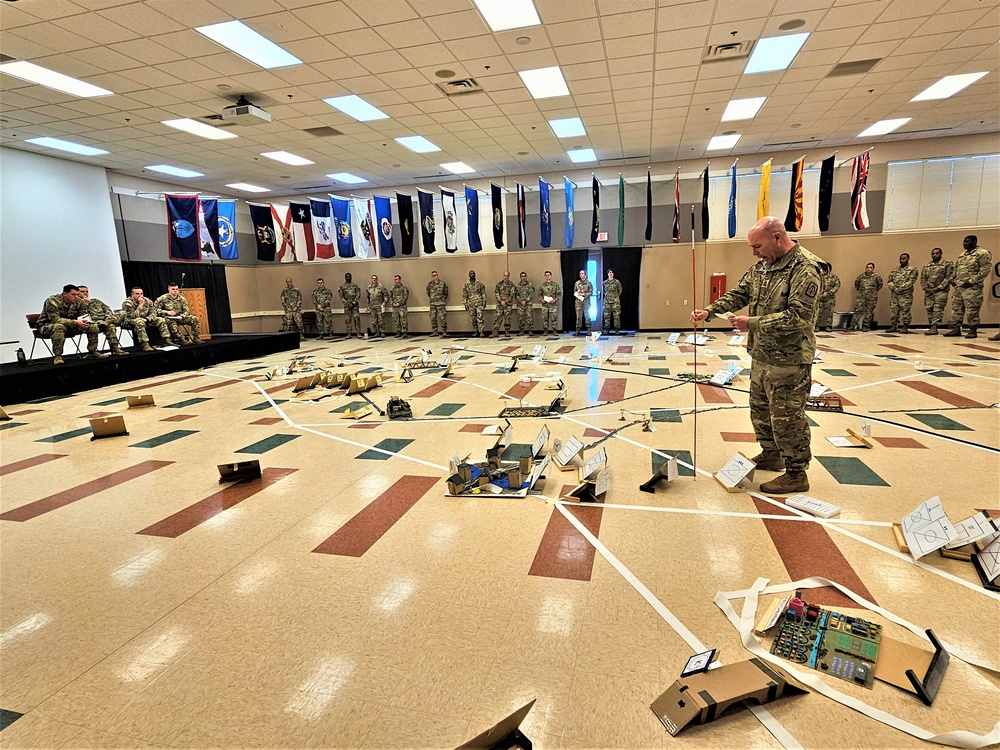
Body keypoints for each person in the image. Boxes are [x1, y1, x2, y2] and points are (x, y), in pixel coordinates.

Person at [690, 216, 828, 494]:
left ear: (777, 237)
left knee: (787, 417)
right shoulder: (763, 267)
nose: (754, 252)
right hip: (762, 356)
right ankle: (772, 454)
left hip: (790, 360)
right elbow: (740, 293)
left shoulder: (806, 268)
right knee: (762, 412)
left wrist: (749, 323)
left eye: (758, 246)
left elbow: (798, 317)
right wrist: (710, 311)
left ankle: (796, 473)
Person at [36, 284, 106, 365]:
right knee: (58, 327)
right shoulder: (53, 301)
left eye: (77, 294)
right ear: (65, 294)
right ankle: (58, 356)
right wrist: (75, 322)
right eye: (73, 294)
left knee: (92, 326)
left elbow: (83, 315)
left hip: (71, 325)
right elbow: (55, 319)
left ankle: (92, 352)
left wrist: (85, 322)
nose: (76, 297)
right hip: (48, 326)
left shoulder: (79, 301)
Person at [944, 235, 992, 339]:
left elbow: (985, 270)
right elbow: (956, 269)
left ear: (974, 242)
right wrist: (953, 280)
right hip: (959, 287)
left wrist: (971, 281)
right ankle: (956, 328)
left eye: (967, 242)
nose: (965, 243)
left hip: (972, 288)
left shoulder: (982, 253)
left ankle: (973, 330)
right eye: (964, 242)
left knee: (972, 310)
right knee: (957, 309)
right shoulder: (962, 255)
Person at [77, 286, 128, 355]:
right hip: (92, 323)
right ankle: (93, 352)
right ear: (77, 293)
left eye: (87, 291)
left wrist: (108, 317)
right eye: (82, 291)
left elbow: (107, 309)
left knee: (122, 312)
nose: (85, 293)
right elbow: (81, 316)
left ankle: (115, 347)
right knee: (110, 326)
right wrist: (85, 304)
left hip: (104, 321)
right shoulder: (76, 304)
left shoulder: (96, 301)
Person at [121, 287, 172, 351]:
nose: (140, 296)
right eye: (137, 294)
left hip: (145, 320)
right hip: (129, 321)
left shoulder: (147, 301)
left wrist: (147, 319)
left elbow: (154, 312)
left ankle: (167, 340)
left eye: (141, 294)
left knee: (160, 320)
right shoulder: (127, 303)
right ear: (132, 294)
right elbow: (132, 316)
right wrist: (141, 305)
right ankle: (145, 344)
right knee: (139, 322)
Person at [920, 247, 953, 336]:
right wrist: (926, 288)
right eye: (933, 254)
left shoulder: (947, 264)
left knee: (937, 309)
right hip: (929, 291)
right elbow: (923, 278)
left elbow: (948, 277)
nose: (934, 255)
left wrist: (938, 288)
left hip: (940, 291)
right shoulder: (927, 266)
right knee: (929, 308)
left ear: (941, 254)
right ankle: (931, 325)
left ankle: (935, 327)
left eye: (937, 253)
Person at [886, 253, 918, 333]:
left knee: (905, 310)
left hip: (905, 294)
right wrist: (893, 288)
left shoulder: (912, 269)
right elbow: (889, 280)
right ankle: (894, 326)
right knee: (894, 311)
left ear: (908, 259)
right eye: (900, 259)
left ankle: (905, 326)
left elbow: (911, 281)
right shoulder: (895, 270)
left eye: (904, 259)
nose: (902, 260)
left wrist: (900, 288)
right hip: (895, 294)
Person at [852, 263, 882, 331]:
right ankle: (853, 325)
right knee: (857, 310)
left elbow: (880, 285)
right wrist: (861, 291)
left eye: (870, 267)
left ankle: (865, 325)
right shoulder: (861, 276)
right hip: (861, 296)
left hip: (871, 297)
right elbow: (856, 284)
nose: (869, 269)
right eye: (867, 267)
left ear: (873, 268)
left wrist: (873, 292)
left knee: (869, 311)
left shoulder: (876, 276)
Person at [815, 264, 840, 333]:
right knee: (817, 312)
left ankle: (828, 326)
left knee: (829, 312)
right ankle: (816, 325)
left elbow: (836, 286)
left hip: (830, 298)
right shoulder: (818, 277)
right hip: (819, 297)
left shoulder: (834, 277)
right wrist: (820, 293)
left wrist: (828, 293)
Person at [463, 270, 488, 337]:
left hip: (479, 303)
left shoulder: (479, 283)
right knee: (473, 318)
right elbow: (464, 295)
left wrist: (484, 301)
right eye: (470, 273)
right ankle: (475, 330)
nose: (472, 275)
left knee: (480, 317)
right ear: (469, 275)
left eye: (473, 273)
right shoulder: (466, 284)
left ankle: (481, 331)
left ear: (475, 275)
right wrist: (465, 304)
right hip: (471, 304)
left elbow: (483, 293)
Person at [492, 271, 516, 337]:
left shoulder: (511, 285)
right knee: (497, 318)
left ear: (509, 276)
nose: (506, 277)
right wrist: (501, 301)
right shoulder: (499, 284)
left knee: (507, 318)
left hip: (508, 305)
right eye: (505, 275)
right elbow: (497, 294)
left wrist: (505, 302)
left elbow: (512, 295)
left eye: (507, 276)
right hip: (500, 304)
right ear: (503, 276)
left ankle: (507, 331)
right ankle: (495, 331)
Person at [339, 272, 362, 339]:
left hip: (354, 306)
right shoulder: (342, 286)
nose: (348, 278)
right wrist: (347, 303)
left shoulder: (355, 285)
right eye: (347, 277)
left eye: (349, 277)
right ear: (345, 278)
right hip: (347, 306)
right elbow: (341, 296)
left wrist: (353, 303)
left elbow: (358, 294)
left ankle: (358, 333)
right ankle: (349, 334)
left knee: (357, 319)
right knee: (347, 320)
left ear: (351, 277)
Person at [366, 274, 389, 338]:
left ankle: (382, 332)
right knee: (374, 321)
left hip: (379, 306)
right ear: (371, 279)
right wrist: (368, 305)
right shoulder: (368, 288)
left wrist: (384, 302)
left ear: (377, 279)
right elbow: (367, 297)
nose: (374, 280)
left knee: (381, 320)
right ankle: (377, 332)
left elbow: (386, 295)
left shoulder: (381, 287)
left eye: (375, 278)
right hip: (372, 307)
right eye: (373, 278)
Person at [426, 271, 449, 337]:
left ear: (437, 275)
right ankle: (435, 331)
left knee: (442, 318)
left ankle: (444, 331)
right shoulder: (430, 284)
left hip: (440, 304)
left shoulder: (442, 283)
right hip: (433, 304)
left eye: (435, 275)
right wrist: (433, 299)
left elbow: (446, 293)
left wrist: (442, 299)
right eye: (433, 276)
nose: (434, 277)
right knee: (433, 318)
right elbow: (428, 292)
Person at [539, 271, 561, 336]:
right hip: (545, 305)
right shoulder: (542, 286)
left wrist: (555, 300)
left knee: (554, 318)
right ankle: (545, 331)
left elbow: (559, 294)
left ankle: (555, 331)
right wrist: (541, 299)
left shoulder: (555, 285)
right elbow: (539, 294)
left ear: (551, 276)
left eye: (548, 275)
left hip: (552, 305)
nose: (547, 276)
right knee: (545, 318)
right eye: (546, 275)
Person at [602, 268, 623, 335]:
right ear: (607, 274)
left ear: (613, 274)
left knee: (616, 316)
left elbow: (620, 290)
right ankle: (607, 330)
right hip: (607, 302)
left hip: (615, 302)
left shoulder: (617, 282)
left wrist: (615, 297)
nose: (610, 273)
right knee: (606, 316)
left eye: (611, 272)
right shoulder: (604, 283)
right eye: (609, 272)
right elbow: (604, 291)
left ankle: (616, 330)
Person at [573, 269, 593, 335]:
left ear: (585, 275)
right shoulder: (577, 283)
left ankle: (589, 330)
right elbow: (574, 291)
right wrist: (577, 293)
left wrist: (584, 294)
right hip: (578, 302)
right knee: (578, 317)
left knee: (587, 316)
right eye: (580, 274)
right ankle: (577, 329)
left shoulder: (588, 283)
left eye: (582, 273)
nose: (581, 275)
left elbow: (591, 292)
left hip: (586, 302)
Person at [515, 271, 535, 335]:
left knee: (530, 317)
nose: (523, 277)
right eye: (522, 276)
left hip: (528, 304)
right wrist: (521, 301)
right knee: (520, 317)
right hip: (520, 304)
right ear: (520, 277)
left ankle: (530, 330)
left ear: (526, 277)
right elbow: (516, 295)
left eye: (524, 276)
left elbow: (531, 294)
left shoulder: (530, 285)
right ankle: (521, 330)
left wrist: (526, 301)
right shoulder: (517, 286)